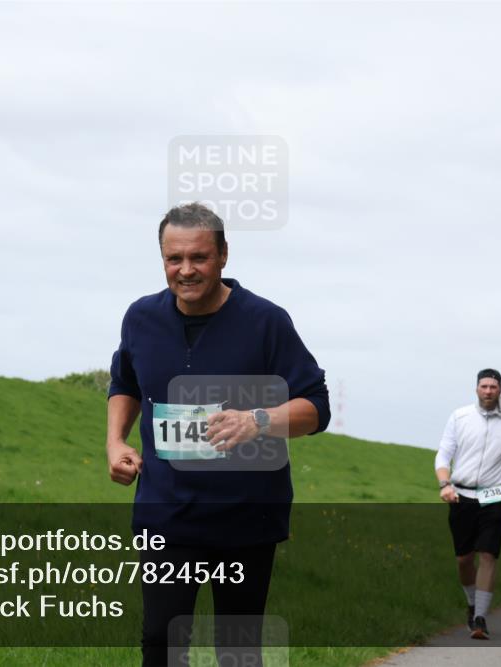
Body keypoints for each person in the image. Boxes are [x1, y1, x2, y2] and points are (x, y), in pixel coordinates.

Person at [106, 202, 330, 667]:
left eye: (199, 258)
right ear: (163, 258)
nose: (186, 270)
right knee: (160, 644)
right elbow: (125, 382)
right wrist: (115, 441)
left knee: (237, 650)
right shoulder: (140, 318)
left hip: (245, 518)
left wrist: (258, 420)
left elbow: (315, 406)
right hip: (167, 512)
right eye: (174, 259)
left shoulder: (266, 321)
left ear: (224, 255)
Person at [434, 368, 501, 640]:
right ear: (476, 388)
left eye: (493, 387)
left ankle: (480, 618)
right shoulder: (460, 417)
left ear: (500, 390)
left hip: (496, 494)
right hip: (461, 494)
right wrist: (445, 485)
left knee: (488, 554)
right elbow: (443, 455)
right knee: (464, 559)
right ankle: (472, 603)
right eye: (484, 386)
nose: (488, 391)